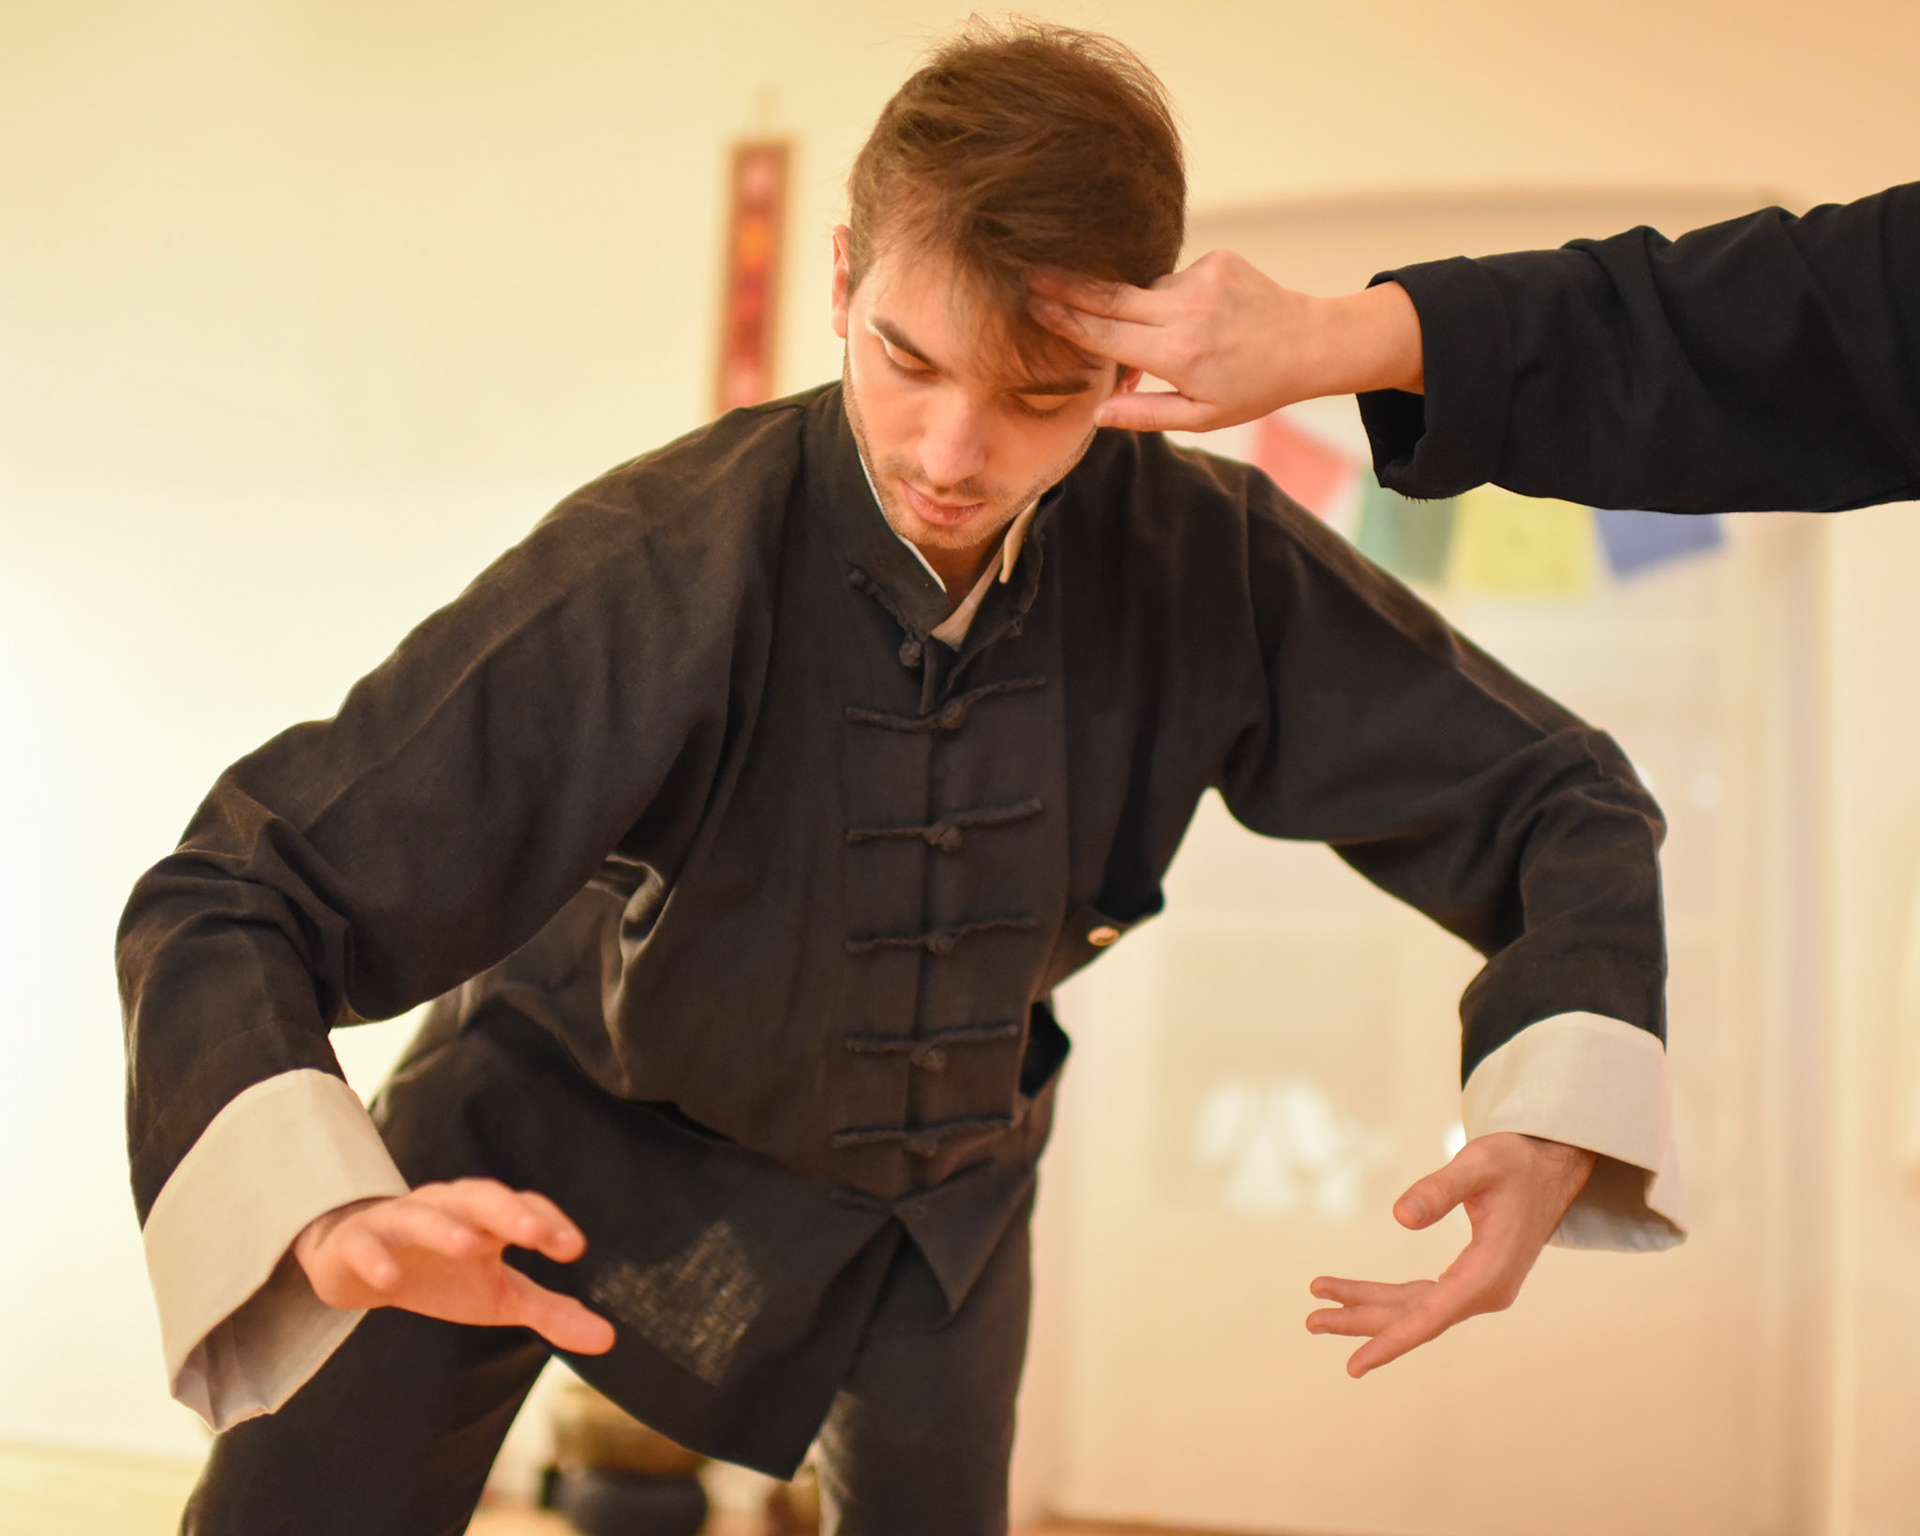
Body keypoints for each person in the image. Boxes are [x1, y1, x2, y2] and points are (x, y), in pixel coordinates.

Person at [118, 24, 1680, 1536]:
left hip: (941, 1206)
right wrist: (325, 1209)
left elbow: (1557, 796)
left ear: (1139, 352)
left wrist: (1555, 1104)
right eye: (907, 362)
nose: (951, 452)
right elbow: (237, 888)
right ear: (843, 280)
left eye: (1042, 395)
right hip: (544, 1132)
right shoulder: (662, 564)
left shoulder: (1205, 562)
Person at [1031, 181, 1920, 514]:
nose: (963, 455)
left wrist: (1320, 335)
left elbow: (1792, 325)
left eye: (1031, 398)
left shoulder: (1207, 540)